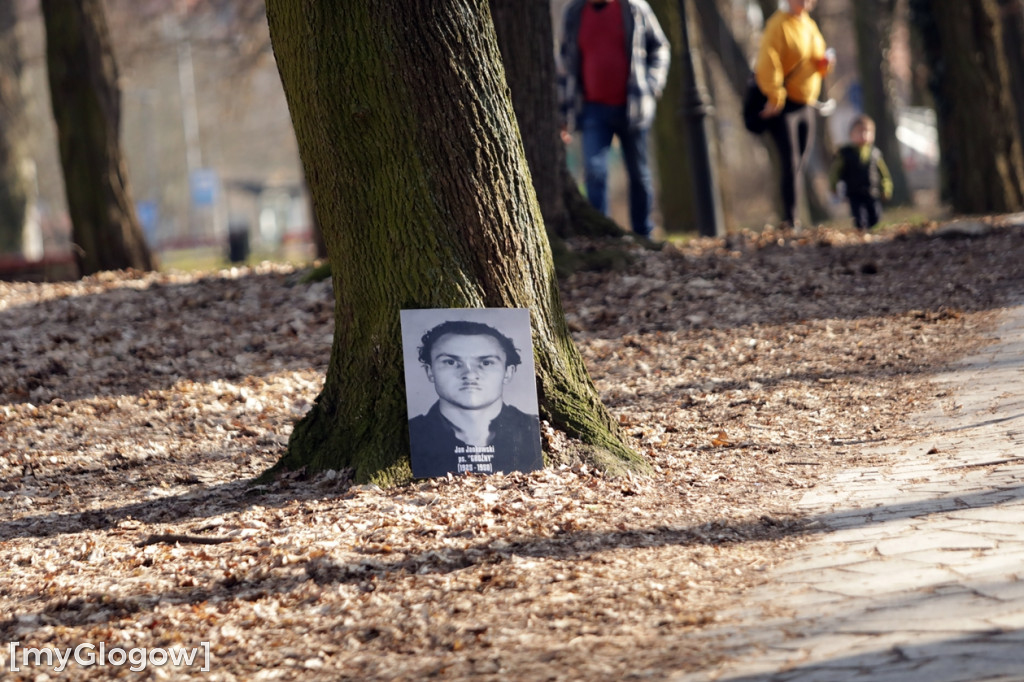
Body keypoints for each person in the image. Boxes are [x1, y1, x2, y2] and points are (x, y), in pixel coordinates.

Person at [558, 0, 670, 238]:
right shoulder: (574, 13)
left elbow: (660, 47)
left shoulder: (634, 8)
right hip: (592, 109)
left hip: (633, 106)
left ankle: (644, 234)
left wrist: (652, 85)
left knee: (639, 174)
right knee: (594, 172)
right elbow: (565, 66)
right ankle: (603, 236)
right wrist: (563, 114)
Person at [408, 320, 543, 478]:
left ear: (508, 372)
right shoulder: (412, 434)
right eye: (451, 362)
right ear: (430, 371)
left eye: (486, 363)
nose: (470, 375)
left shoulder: (531, 430)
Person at [753, 0, 834, 229]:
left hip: (806, 103)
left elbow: (817, 59)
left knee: (800, 164)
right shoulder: (778, 25)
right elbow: (768, 62)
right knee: (790, 162)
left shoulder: (809, 25)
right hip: (784, 104)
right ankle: (790, 220)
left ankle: (792, 217)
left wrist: (825, 64)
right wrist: (775, 96)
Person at [829, 114, 893, 231]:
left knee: (875, 216)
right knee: (860, 217)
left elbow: (884, 174)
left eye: (867, 132)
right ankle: (862, 234)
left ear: (873, 135)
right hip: (854, 193)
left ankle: (872, 233)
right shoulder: (845, 154)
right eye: (859, 132)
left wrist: (886, 188)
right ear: (851, 135)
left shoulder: (875, 154)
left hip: (872, 192)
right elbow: (835, 172)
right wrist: (833, 187)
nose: (863, 135)